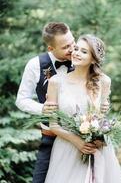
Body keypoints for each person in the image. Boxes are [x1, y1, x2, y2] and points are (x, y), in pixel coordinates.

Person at [15, 22, 109, 183]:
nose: (73, 49)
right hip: (52, 136)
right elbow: (21, 100)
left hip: (86, 138)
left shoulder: (81, 59)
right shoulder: (35, 65)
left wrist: (104, 104)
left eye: (73, 42)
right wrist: (44, 109)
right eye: (66, 47)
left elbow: (99, 89)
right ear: (51, 49)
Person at [44, 34, 121, 183]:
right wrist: (78, 142)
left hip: (96, 148)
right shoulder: (56, 82)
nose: (76, 53)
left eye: (84, 51)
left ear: (93, 59)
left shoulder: (104, 81)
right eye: (76, 49)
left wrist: (99, 137)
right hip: (67, 148)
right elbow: (53, 125)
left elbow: (101, 118)